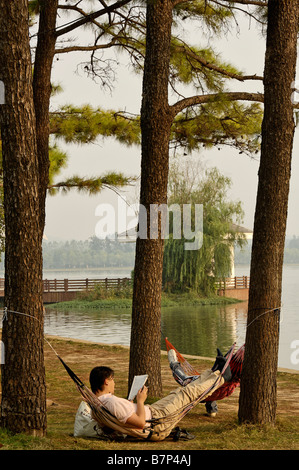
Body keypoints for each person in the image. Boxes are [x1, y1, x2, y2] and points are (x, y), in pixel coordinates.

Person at [74, 350, 231, 441]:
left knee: (181, 391)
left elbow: (117, 422)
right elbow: (141, 423)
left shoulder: (98, 405)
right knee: (189, 394)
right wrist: (140, 401)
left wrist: (130, 403)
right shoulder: (111, 403)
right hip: (158, 421)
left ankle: (213, 371)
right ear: (106, 382)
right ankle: (222, 377)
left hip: (154, 412)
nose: (114, 383)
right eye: (112, 380)